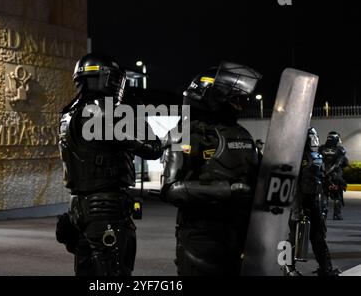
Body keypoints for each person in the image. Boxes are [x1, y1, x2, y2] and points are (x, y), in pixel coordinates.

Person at [56, 53, 163, 276]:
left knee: (87, 271)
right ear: (107, 79)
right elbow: (152, 148)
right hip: (105, 209)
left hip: (78, 207)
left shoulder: (68, 113)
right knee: (113, 275)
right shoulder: (104, 112)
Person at [160, 61, 262, 275]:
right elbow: (171, 190)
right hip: (201, 238)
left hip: (241, 234)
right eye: (236, 98)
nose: (241, 104)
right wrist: (229, 190)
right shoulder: (183, 133)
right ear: (215, 95)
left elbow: (259, 179)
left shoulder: (242, 134)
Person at [284, 128, 339, 276]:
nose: (315, 139)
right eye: (311, 136)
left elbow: (321, 177)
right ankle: (288, 268)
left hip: (314, 201)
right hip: (300, 200)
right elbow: (293, 182)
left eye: (315, 136)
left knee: (318, 237)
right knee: (295, 236)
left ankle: (326, 268)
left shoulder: (317, 155)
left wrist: (330, 187)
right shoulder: (296, 156)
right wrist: (297, 207)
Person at [319, 131, 349, 220]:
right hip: (336, 177)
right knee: (337, 196)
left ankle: (323, 214)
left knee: (324, 194)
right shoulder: (340, 150)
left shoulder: (321, 149)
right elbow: (344, 163)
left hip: (323, 176)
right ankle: (337, 214)